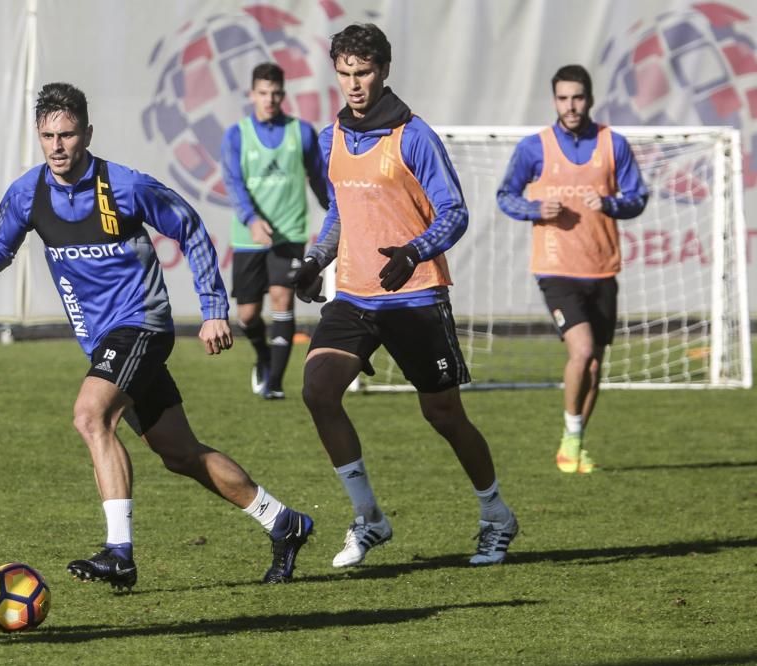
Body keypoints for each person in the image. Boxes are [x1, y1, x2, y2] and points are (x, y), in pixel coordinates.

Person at [0, 82, 314, 589]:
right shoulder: (29, 191)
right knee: (180, 453)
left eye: (67, 134)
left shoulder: (125, 186)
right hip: (105, 340)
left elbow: (190, 228)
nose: (57, 146)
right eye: (48, 136)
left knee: (90, 416)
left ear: (87, 133)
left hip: (141, 326)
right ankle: (284, 522)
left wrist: (215, 309)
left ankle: (119, 552)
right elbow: (2, 235)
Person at [292, 24, 518, 567]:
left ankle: (496, 516)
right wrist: (316, 260)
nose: (354, 84)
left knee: (443, 415)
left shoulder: (414, 136)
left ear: (384, 70)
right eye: (345, 73)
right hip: (353, 297)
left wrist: (413, 252)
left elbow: (455, 212)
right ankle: (369, 519)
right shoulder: (331, 138)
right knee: (318, 391)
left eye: (363, 72)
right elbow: (340, 211)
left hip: (414, 295)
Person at [496, 64, 648, 474]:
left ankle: (575, 443)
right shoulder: (535, 147)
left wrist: (612, 204)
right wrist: (532, 209)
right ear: (554, 101)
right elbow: (505, 195)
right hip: (555, 269)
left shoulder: (612, 144)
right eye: (563, 98)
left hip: (601, 268)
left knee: (595, 365)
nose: (570, 105)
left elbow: (638, 196)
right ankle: (569, 436)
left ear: (590, 98)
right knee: (580, 351)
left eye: (577, 97)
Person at [220, 62, 329, 399]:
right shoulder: (237, 134)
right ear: (252, 95)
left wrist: (338, 212)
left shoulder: (302, 132)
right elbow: (234, 183)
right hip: (248, 237)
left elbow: (318, 178)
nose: (269, 99)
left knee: (283, 300)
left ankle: (276, 384)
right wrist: (252, 220)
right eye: (263, 93)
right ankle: (264, 356)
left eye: (276, 93)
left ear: (284, 94)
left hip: (290, 235)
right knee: (248, 315)